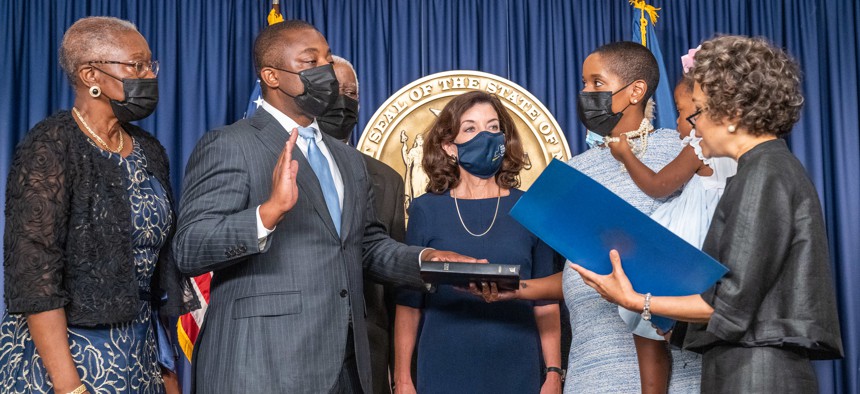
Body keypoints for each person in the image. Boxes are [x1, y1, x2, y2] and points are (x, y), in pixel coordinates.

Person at [173, 20, 475, 393]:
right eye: (309, 61)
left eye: (327, 59)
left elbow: (367, 246)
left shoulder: (347, 160)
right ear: (272, 76)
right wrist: (268, 213)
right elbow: (190, 248)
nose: (325, 72)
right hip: (260, 364)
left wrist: (430, 261)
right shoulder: (230, 144)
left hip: (347, 367)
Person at [571, 35, 844, 393]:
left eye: (696, 110)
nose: (693, 127)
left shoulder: (763, 174)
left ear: (730, 112)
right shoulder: (766, 169)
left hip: (755, 375)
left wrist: (635, 301)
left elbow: (728, 306)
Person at [477, 41, 690, 394]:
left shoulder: (677, 149)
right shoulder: (574, 170)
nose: (585, 92)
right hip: (590, 368)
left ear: (636, 90)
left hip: (668, 372)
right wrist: (516, 290)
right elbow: (583, 270)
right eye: (584, 83)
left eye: (597, 83)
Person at [0, 16, 198, 394]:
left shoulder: (149, 150)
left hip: (139, 355)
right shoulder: (52, 145)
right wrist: (68, 385)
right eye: (136, 65)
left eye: (150, 65)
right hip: (67, 360)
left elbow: (158, 277)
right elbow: (34, 275)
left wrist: (166, 369)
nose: (149, 75)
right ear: (91, 74)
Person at [393, 91, 562, 394]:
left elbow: (546, 299)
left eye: (493, 127)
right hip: (443, 364)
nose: (484, 136)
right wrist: (403, 378)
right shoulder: (424, 209)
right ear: (449, 147)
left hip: (519, 363)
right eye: (470, 128)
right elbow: (409, 302)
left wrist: (553, 372)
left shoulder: (532, 210)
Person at [608, 50, 739, 392]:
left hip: (689, 241)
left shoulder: (699, 144)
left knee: (644, 312)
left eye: (682, 113)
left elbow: (657, 185)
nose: (679, 124)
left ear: (704, 113)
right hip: (718, 247)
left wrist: (625, 156)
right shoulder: (738, 153)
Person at [319, 54, 406, 394]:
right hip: (297, 354)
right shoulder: (278, 167)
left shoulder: (387, 179)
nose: (343, 100)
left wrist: (401, 373)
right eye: (332, 89)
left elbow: (395, 285)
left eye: (351, 92)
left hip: (366, 358)